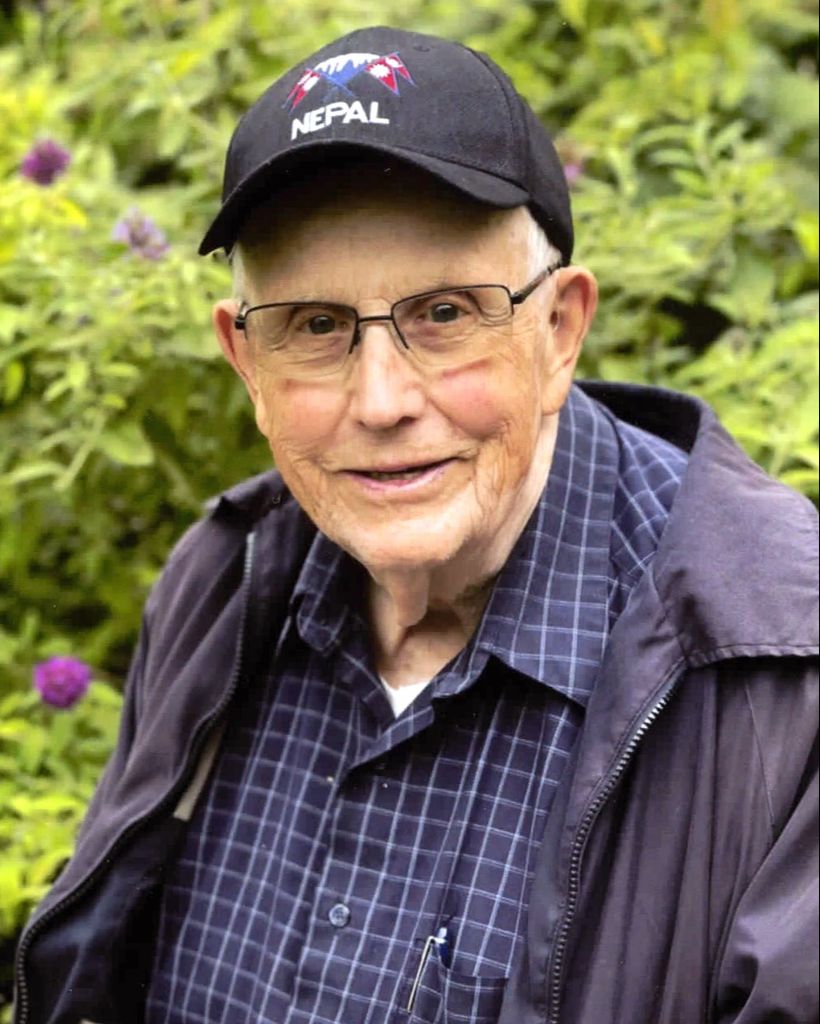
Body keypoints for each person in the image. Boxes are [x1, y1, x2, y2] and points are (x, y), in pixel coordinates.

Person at [15, 25, 818, 1024]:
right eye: (316, 326)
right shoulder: (222, 583)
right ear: (246, 364)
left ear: (560, 329)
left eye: (444, 313)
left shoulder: (778, 681)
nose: (383, 400)